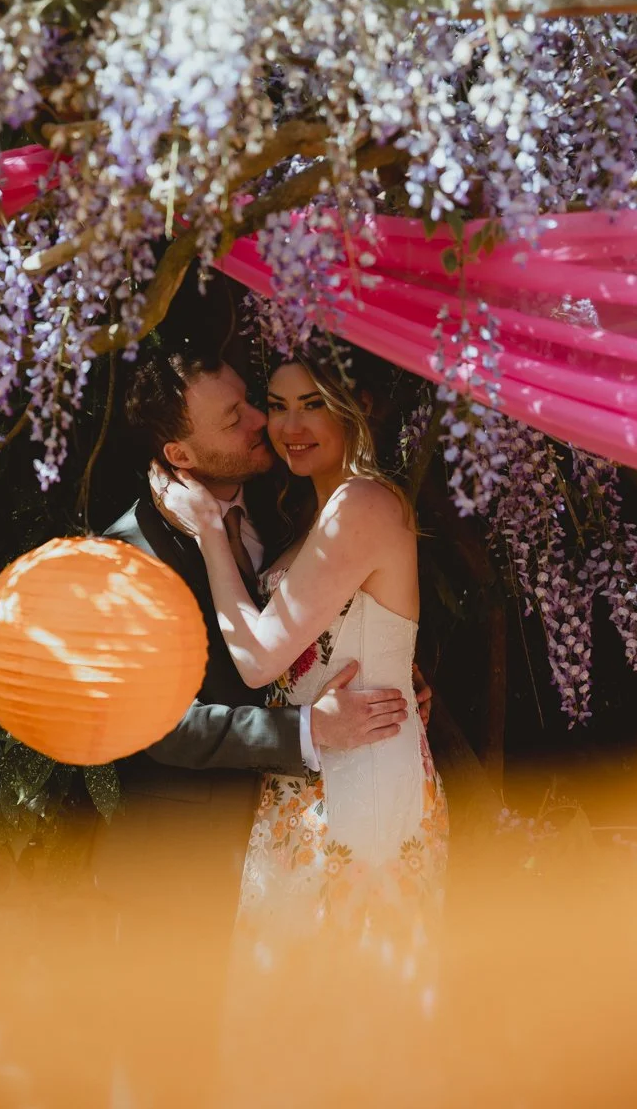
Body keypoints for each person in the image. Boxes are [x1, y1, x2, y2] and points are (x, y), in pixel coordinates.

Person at [150, 351, 448, 944]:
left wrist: (209, 532)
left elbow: (261, 660)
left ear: (355, 408)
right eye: (279, 406)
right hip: (309, 776)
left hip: (358, 781)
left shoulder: (359, 503)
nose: (289, 427)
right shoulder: (305, 512)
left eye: (313, 405)